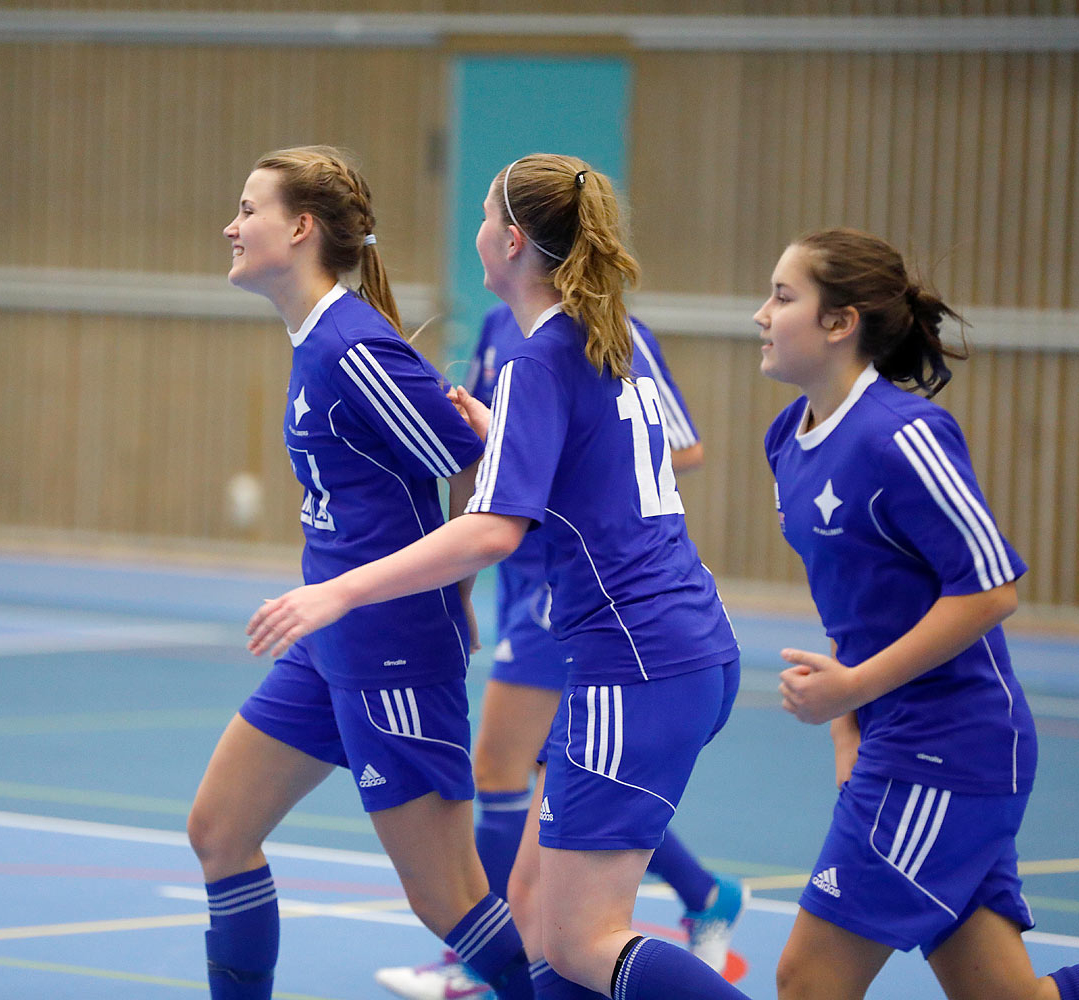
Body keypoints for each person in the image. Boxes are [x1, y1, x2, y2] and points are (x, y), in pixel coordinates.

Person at [248, 154, 751, 1000]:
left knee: (581, 943)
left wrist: (339, 589)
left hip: (635, 661)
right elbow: (596, 469)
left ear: (511, 241)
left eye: (484, 216)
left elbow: (489, 533)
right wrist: (506, 435)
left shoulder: (538, 357)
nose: (476, 232)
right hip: (680, 645)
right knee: (540, 923)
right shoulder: (607, 340)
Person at [756, 227, 1079, 1000]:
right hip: (900, 741)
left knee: (808, 982)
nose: (760, 314)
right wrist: (851, 723)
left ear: (840, 323)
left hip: (948, 751)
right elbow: (854, 603)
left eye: (783, 297)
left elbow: (990, 588)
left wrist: (850, 693)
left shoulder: (904, 436)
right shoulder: (788, 439)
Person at [186, 146, 533, 1000]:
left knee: (447, 899)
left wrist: (452, 593)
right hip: (328, 640)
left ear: (300, 229)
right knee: (220, 831)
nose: (231, 227)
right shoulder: (316, 342)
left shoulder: (354, 349)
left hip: (390, 647)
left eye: (248, 209)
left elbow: (484, 464)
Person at [375, 303, 748, 1000]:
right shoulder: (501, 331)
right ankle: (699, 890)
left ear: (515, 238)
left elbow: (666, 451)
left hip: (610, 616)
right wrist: (519, 445)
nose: (762, 314)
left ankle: (480, 962)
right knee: (540, 894)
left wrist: (340, 592)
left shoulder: (596, 339)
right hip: (565, 595)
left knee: (572, 921)